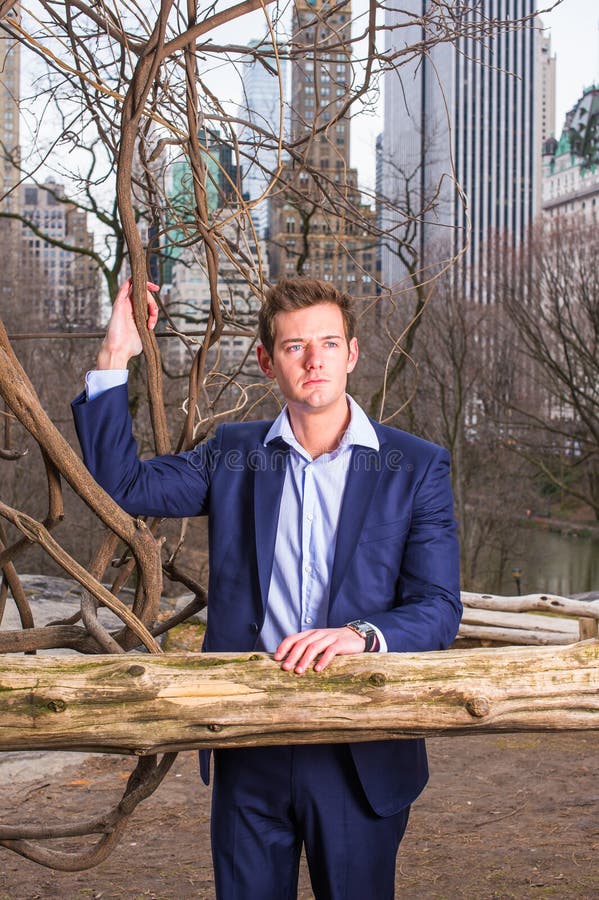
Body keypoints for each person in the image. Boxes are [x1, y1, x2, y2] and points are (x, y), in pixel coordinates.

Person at [72, 275, 461, 900]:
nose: (314, 360)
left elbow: (439, 608)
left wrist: (361, 636)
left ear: (353, 354)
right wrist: (115, 355)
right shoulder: (233, 454)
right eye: (294, 346)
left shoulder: (413, 466)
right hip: (247, 740)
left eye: (330, 344)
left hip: (357, 745)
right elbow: (124, 486)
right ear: (266, 360)